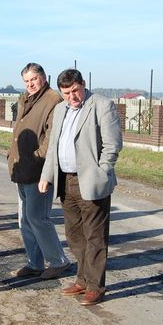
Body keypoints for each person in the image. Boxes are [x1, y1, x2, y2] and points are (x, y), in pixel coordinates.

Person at [39, 68, 123, 306]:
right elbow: (54, 145)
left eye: (75, 91)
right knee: (74, 235)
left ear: (83, 84)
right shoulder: (60, 109)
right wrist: (46, 176)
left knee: (95, 236)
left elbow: (113, 145)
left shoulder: (101, 105)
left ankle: (96, 286)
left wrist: (102, 172)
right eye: (66, 93)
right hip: (66, 181)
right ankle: (82, 279)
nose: (71, 97)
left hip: (91, 181)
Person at [8, 63, 71, 279]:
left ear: (43, 78)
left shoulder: (53, 100)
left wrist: (36, 158)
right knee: (25, 219)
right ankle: (34, 262)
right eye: (26, 81)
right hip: (22, 169)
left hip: (38, 171)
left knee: (37, 218)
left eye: (33, 80)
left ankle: (58, 261)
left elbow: (52, 138)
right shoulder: (25, 99)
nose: (30, 84)